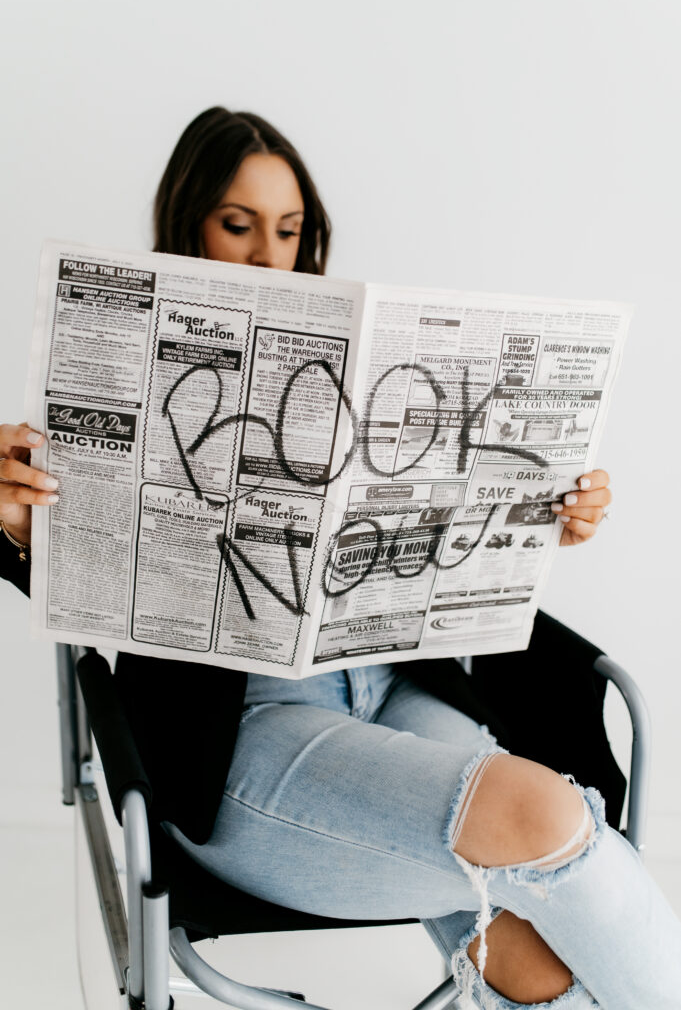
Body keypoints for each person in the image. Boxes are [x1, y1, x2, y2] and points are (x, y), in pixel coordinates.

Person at [1, 107, 679, 1009]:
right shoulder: (130, 377)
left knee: (534, 964)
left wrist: (537, 514)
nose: (264, 254)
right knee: (547, 818)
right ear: (187, 221)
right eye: (236, 225)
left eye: (287, 231)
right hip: (244, 733)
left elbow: (440, 539)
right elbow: (71, 561)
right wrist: (16, 521)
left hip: (399, 685)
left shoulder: (349, 376)